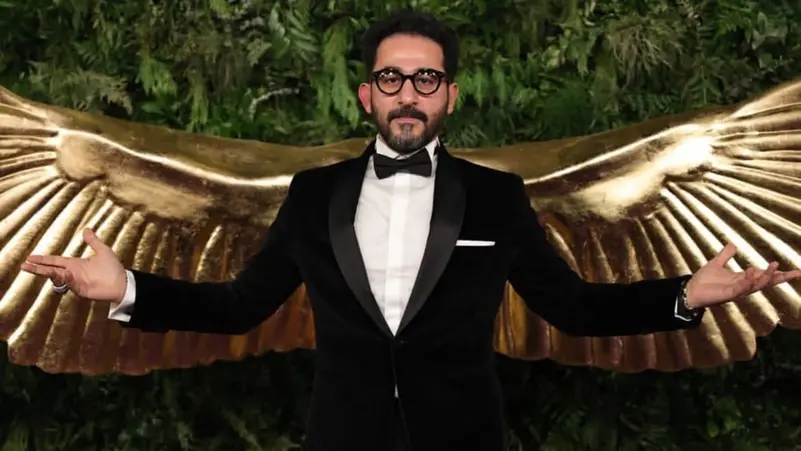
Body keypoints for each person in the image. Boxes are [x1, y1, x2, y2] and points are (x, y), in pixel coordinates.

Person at [20, 10, 801, 451]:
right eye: (391, 78)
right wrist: (125, 287)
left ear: (448, 96)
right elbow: (237, 307)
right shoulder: (313, 195)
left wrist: (684, 295)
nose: (407, 93)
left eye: (425, 79)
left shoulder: (495, 199)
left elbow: (574, 308)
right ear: (367, 94)